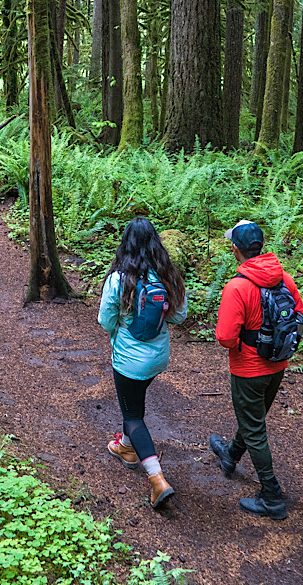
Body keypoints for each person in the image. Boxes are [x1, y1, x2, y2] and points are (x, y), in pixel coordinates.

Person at [210, 219, 303, 520]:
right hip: (277, 365)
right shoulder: (284, 279)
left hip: (249, 370)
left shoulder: (237, 286)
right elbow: (300, 316)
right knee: (253, 419)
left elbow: (225, 337)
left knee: (255, 429)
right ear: (260, 246)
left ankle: (271, 496)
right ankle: (230, 455)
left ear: (236, 249)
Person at [98, 217, 188, 508]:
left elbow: (104, 319)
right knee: (135, 401)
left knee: (133, 415)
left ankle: (156, 479)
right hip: (158, 357)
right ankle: (125, 447)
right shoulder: (168, 275)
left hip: (128, 360)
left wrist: (119, 329)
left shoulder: (119, 279)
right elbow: (178, 316)